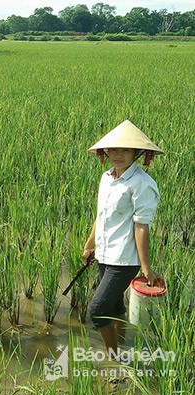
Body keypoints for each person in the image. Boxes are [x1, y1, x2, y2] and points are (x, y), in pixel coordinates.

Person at [82, 119, 164, 357]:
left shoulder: (142, 184)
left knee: (98, 310)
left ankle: (113, 358)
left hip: (125, 260)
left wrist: (146, 267)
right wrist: (90, 246)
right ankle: (120, 344)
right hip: (105, 254)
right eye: (114, 149)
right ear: (106, 151)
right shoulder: (107, 177)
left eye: (125, 149)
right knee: (115, 306)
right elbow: (102, 216)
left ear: (137, 153)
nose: (118, 154)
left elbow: (141, 226)